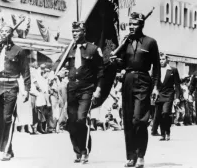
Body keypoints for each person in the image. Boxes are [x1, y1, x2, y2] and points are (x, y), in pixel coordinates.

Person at [111, 12, 160, 168]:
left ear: (142, 25)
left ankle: (141, 155)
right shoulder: (125, 42)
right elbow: (123, 63)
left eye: (135, 24)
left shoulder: (150, 42)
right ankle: (131, 156)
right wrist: (115, 61)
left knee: (139, 120)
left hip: (143, 81)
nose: (131, 27)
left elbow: (157, 66)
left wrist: (156, 87)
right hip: (128, 81)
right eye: (130, 24)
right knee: (128, 121)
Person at [52, 21, 104, 164]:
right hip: (72, 89)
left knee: (82, 119)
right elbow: (58, 63)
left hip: (86, 89)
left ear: (84, 32)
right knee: (72, 122)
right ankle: (77, 151)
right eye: (73, 31)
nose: (75, 34)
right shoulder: (70, 49)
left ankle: (85, 150)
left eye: (78, 31)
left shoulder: (93, 49)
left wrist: (98, 89)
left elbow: (100, 71)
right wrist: (56, 71)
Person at [0, 24, 31, 161]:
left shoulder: (19, 51)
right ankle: (7, 149)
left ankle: (5, 151)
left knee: (7, 118)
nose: (4, 33)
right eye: (2, 31)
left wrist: (27, 89)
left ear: (12, 34)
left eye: (7, 32)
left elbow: (25, 72)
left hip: (12, 85)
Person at [155, 52, 180, 141]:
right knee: (160, 115)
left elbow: (177, 85)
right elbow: (152, 82)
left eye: (163, 59)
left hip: (169, 94)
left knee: (165, 113)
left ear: (167, 60)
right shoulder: (156, 70)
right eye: (160, 59)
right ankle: (162, 134)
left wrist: (177, 97)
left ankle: (167, 131)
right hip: (159, 94)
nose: (161, 61)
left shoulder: (173, 70)